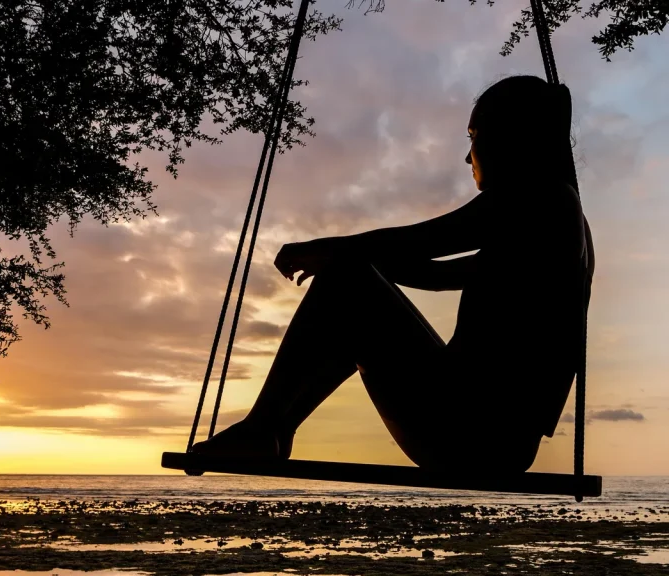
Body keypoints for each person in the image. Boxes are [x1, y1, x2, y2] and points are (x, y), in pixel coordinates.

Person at [191, 75, 594, 473]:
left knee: (347, 277)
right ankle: (274, 430)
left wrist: (335, 253)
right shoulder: (551, 221)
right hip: (494, 439)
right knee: (351, 280)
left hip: (471, 431)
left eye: (473, 135)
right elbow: (435, 273)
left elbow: (429, 239)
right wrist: (353, 260)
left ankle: (264, 428)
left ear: (509, 134)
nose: (467, 157)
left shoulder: (541, 199)